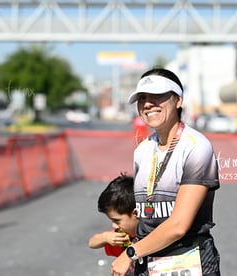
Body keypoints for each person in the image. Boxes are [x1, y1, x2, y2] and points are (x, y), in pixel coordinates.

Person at [111, 68, 220, 276]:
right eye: (142, 98)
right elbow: (144, 216)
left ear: (178, 100)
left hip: (189, 260)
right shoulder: (142, 151)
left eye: (157, 95)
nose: (148, 103)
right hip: (147, 260)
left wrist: (130, 254)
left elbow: (179, 225)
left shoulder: (196, 147)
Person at [88, 173, 138, 276]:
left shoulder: (153, 234)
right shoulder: (124, 238)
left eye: (117, 221)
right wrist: (105, 237)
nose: (114, 226)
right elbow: (92, 242)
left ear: (136, 213)